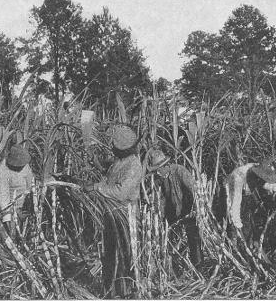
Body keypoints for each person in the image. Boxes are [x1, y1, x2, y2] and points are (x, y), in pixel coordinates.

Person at [83, 124, 143, 298]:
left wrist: (95, 187)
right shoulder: (120, 160)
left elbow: (120, 192)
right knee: (110, 252)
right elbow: (108, 174)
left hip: (125, 215)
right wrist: (95, 162)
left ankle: (125, 292)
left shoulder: (134, 165)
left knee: (124, 254)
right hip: (111, 214)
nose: (112, 149)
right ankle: (110, 290)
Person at [147, 149, 203, 266]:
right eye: (156, 170)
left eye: (159, 169)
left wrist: (195, 209)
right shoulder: (160, 178)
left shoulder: (180, 171)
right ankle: (174, 268)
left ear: (166, 165)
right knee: (170, 242)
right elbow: (158, 198)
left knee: (194, 238)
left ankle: (199, 266)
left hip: (188, 212)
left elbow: (194, 190)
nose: (158, 172)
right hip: (173, 215)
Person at [223, 161, 276, 246]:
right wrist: (237, 225)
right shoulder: (239, 176)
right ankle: (234, 243)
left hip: (247, 193)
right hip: (232, 193)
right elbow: (235, 203)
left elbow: (272, 184)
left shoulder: (264, 168)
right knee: (233, 223)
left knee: (248, 220)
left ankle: (248, 242)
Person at [0, 144, 34, 237]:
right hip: (11, 207)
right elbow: (4, 196)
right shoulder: (3, 170)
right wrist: (8, 218)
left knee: (28, 232)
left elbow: (30, 183)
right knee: (12, 233)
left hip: (26, 203)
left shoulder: (25, 165)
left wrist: (29, 203)